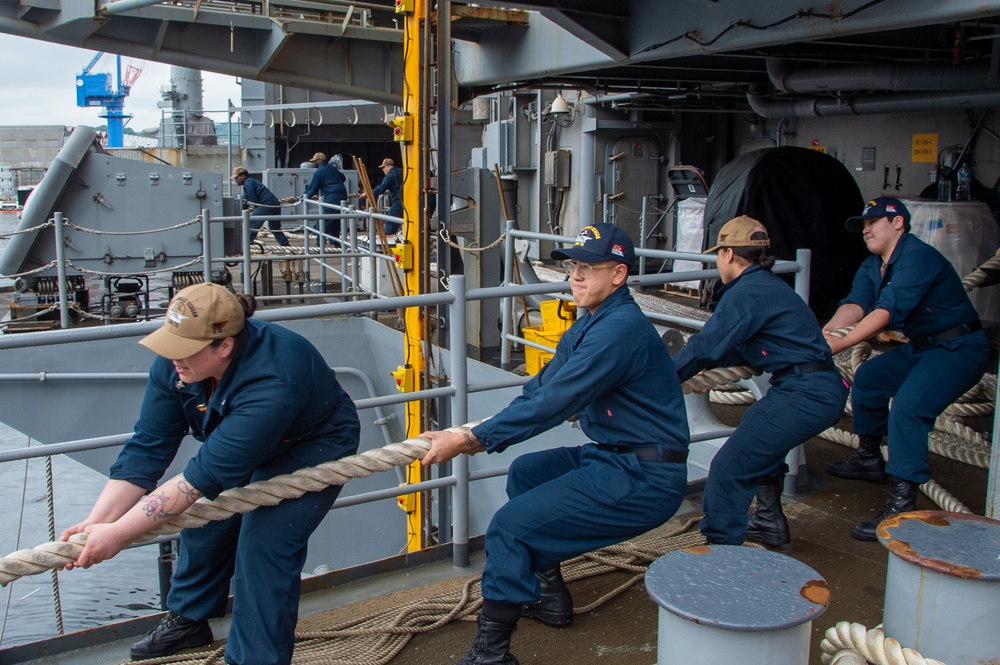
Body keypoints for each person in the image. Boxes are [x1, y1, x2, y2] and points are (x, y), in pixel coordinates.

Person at [420, 223, 689, 665]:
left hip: (646, 476)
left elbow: (553, 404)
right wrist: (476, 431)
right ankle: (549, 597)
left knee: (509, 528)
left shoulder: (618, 330)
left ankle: (491, 654)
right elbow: (540, 390)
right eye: (572, 266)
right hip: (612, 457)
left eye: (588, 267)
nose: (574, 276)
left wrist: (470, 439)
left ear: (618, 274)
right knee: (528, 473)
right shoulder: (589, 326)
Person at [59, 283, 361, 664]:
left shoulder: (274, 379)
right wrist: (98, 522)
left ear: (224, 346)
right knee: (204, 520)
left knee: (264, 545)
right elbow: (147, 448)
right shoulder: (177, 362)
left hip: (313, 442)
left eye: (183, 349)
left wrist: (118, 535)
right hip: (243, 437)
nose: (173, 358)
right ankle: (188, 620)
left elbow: (197, 480)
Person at [671, 216, 848, 548]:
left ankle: (721, 549)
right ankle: (769, 521)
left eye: (718, 254)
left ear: (728, 254)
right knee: (760, 440)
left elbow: (705, 347)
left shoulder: (747, 292)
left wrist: (661, 379)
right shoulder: (767, 286)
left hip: (805, 393)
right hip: (814, 388)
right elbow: (737, 347)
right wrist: (704, 367)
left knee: (729, 467)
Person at [823, 196, 989, 541]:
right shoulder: (873, 264)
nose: (866, 230)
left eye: (873, 222)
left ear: (898, 222)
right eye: (863, 225)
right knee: (869, 378)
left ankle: (902, 502)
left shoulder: (917, 257)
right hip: (922, 347)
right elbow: (856, 304)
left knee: (908, 408)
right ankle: (869, 458)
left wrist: (842, 343)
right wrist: (824, 335)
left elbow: (886, 310)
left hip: (959, 349)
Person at [232, 166, 289, 247]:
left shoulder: (248, 184)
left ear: (242, 176)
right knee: (275, 228)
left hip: (266, 204)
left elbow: (254, 200)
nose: (235, 180)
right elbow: (247, 201)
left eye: (236, 178)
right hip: (274, 203)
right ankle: (286, 246)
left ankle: (247, 245)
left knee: (252, 222)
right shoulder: (250, 182)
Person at [303, 151, 348, 237]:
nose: (312, 163)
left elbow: (312, 188)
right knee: (334, 220)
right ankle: (335, 241)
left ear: (319, 161)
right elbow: (343, 178)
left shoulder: (319, 172)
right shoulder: (332, 168)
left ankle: (319, 242)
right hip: (342, 195)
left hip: (331, 196)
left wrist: (302, 198)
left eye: (314, 161)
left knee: (323, 221)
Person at [371, 157, 403, 236]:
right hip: (407, 201)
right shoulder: (401, 171)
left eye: (383, 167)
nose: (382, 170)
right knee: (400, 221)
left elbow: (381, 187)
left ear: (388, 166)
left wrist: (369, 193)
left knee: (390, 222)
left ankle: (388, 238)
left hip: (398, 201)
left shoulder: (389, 176)